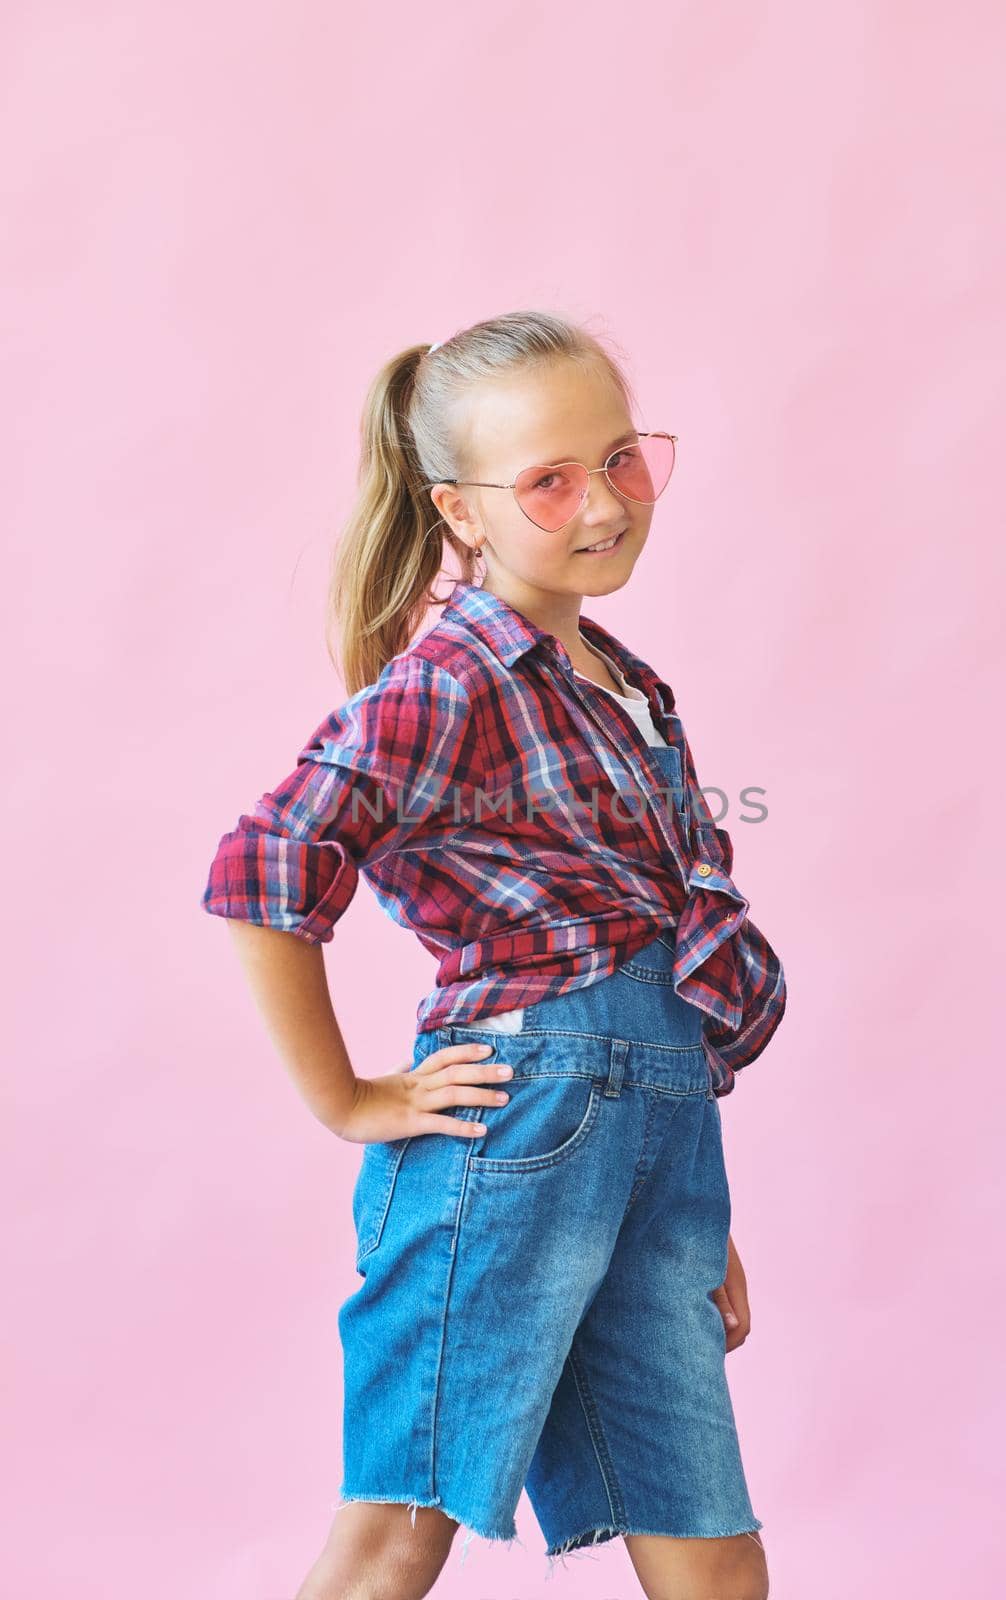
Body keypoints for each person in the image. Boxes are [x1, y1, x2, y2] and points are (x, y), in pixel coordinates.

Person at [200, 309, 787, 1600]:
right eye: (550, 481)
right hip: (524, 1127)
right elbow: (266, 870)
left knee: (710, 1544)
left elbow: (655, 937)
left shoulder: (621, 681)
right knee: (403, 1525)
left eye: (623, 459)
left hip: (651, 1137)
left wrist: (678, 1199)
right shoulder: (451, 678)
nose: (605, 503)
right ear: (458, 511)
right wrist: (349, 1098)